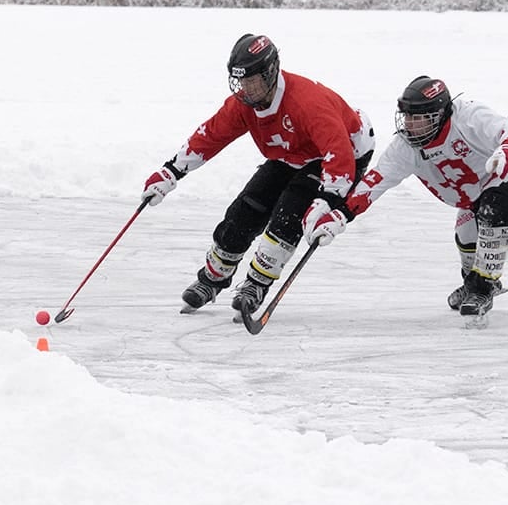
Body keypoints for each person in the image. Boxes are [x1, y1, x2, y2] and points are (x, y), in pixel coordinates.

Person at [142, 33, 375, 322]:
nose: (247, 90)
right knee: (245, 210)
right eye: (241, 82)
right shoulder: (243, 104)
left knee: (288, 216)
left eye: (253, 81)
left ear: (271, 73)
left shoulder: (308, 102)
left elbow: (338, 153)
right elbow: (211, 135)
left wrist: (327, 201)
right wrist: (171, 171)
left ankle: (255, 284)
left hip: (343, 152)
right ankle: (213, 277)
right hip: (291, 153)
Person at [303, 75, 508, 317]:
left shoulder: (468, 116)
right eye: (407, 117)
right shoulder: (405, 147)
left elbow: (507, 130)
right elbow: (374, 183)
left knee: (495, 206)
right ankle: (473, 280)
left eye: (418, 118)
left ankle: (484, 286)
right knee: (466, 232)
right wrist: (339, 215)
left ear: (440, 115)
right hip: (477, 195)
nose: (409, 125)